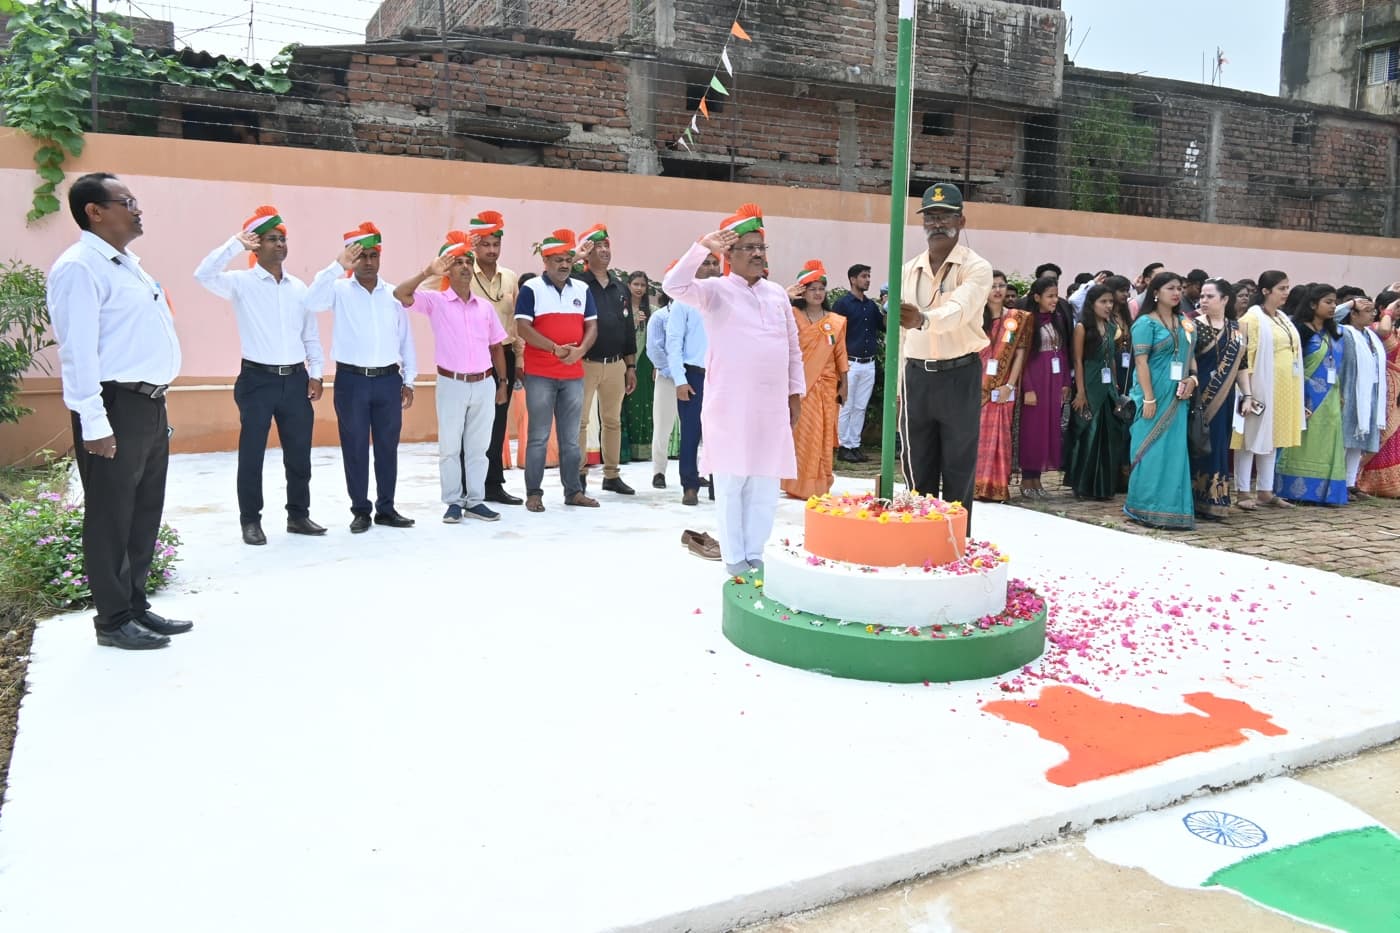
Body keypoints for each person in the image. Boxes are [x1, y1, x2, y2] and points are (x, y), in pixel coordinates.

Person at [48, 172, 192, 649]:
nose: (137, 209)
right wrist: (94, 421)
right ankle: (112, 621)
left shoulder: (127, 264)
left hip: (147, 404)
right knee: (111, 515)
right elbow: (78, 352)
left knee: (143, 510)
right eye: (127, 201)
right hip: (113, 406)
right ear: (95, 211)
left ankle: (135, 606)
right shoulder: (79, 268)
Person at [662, 203, 805, 576]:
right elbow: (673, 285)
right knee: (731, 482)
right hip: (730, 404)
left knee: (764, 482)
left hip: (772, 405)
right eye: (749, 247)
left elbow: (792, 347)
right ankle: (733, 558)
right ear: (729, 255)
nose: (758, 253)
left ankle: (755, 553)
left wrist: (795, 393)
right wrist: (701, 247)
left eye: (762, 247)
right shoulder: (715, 292)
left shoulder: (776, 294)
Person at [195, 205, 326, 547]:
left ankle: (298, 515)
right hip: (258, 381)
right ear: (256, 245)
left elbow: (311, 333)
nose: (281, 245)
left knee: (299, 453)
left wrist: (317, 373)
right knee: (252, 454)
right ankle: (250, 521)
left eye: (283, 239)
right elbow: (203, 275)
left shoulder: (299, 287)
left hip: (296, 380)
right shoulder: (240, 283)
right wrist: (234, 245)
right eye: (272, 239)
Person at [305, 222, 418, 533]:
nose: (368, 262)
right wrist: (335, 266)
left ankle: (386, 508)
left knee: (387, 446)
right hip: (351, 381)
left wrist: (409, 379)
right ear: (351, 259)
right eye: (361, 256)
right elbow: (311, 302)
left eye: (373, 255)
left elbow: (405, 338)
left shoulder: (393, 294)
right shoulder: (338, 290)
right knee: (354, 446)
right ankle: (360, 510)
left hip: (388, 380)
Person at [392, 231, 509, 523]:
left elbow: (496, 346)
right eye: (458, 262)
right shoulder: (436, 302)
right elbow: (400, 294)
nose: (466, 267)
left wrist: (502, 383)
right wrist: (426, 272)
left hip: (483, 383)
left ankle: (476, 501)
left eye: (468, 261)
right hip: (452, 383)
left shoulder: (485, 307)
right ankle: (453, 502)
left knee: (478, 448)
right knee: (450, 448)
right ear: (447, 268)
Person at [896, 182, 993, 530]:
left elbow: (961, 311)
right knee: (917, 467)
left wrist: (924, 319)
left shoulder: (976, 267)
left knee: (958, 467)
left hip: (959, 375)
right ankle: (918, 539)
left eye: (945, 216)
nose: (937, 224)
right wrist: (898, 387)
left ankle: (954, 543)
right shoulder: (907, 269)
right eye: (931, 217)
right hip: (916, 376)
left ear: (961, 221)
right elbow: (901, 335)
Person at [515, 228, 599, 512]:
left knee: (571, 439)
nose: (564, 265)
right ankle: (534, 493)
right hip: (541, 374)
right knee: (538, 437)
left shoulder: (583, 290)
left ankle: (573, 491)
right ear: (545, 262)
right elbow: (522, 327)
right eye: (557, 260)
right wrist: (554, 348)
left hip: (573, 374)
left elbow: (592, 327)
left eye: (567, 259)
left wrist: (580, 351)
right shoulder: (531, 290)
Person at [1123, 271, 1198, 530]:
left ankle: (1172, 509)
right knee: (1149, 450)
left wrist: (1193, 380)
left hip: (1179, 396)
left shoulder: (1186, 323)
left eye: (1180, 288)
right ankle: (1143, 506)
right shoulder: (1146, 323)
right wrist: (1148, 398)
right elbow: (1141, 363)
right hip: (1153, 395)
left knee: (1175, 452)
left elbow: (1191, 356)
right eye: (1170, 288)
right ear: (1156, 292)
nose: (1177, 293)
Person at [1231, 270, 1304, 509]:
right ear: (1265, 291)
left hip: (1283, 388)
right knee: (1249, 438)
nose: (1286, 293)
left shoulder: (1282, 317)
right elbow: (1245, 357)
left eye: (1287, 288)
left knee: (1272, 438)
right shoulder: (1251, 319)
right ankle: (1242, 492)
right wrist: (1247, 393)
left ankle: (1265, 490)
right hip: (1258, 387)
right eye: (1281, 288)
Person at [574, 224, 636, 496]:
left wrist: (630, 365)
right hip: (585, 362)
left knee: (613, 421)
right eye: (598, 247)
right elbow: (551, 275)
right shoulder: (577, 284)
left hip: (616, 365)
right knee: (580, 422)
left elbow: (628, 329)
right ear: (587, 253)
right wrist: (575, 257)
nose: (604, 251)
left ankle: (612, 475)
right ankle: (578, 474)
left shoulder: (620, 286)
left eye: (607, 246)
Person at [467, 211, 524, 507]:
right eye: (485, 244)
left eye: (495, 244)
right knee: (471, 423)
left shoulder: (510, 277)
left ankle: (493, 484)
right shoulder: (463, 272)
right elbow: (431, 290)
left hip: (504, 355)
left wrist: (520, 361)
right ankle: (467, 486)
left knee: (497, 424)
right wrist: (461, 249)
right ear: (475, 246)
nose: (491, 250)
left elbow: (517, 322)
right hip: (472, 358)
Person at [1276, 284, 1348, 505]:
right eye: (1328, 302)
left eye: (1335, 302)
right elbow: (1292, 366)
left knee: (1326, 442)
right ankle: (1293, 490)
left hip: (1331, 396)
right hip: (1305, 396)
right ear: (1312, 304)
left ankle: (1324, 492)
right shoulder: (1299, 330)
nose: (1333, 306)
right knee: (1300, 442)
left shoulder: (1335, 332)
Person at [782, 260, 848, 499]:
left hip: (827, 387)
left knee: (822, 436)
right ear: (803, 292)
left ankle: (819, 483)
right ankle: (797, 484)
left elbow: (841, 354)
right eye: (812, 288)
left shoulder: (836, 321)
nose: (818, 293)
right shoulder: (792, 315)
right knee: (800, 434)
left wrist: (845, 385)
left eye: (821, 288)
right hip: (800, 386)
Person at [1189, 278, 1251, 519]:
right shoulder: (1192, 325)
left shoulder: (1238, 330)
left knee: (1217, 446)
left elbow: (1242, 365)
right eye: (1202, 296)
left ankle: (1215, 499)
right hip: (1197, 396)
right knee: (1196, 444)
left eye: (1209, 296)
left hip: (1224, 398)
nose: (1203, 301)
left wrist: (1247, 395)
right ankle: (1192, 499)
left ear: (1225, 299)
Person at [1063, 284, 1129, 500]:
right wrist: (1080, 392)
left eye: (1111, 302)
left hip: (1108, 386)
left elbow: (1110, 357)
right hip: (1089, 385)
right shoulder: (1083, 327)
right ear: (1092, 304)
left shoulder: (1111, 327)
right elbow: (1078, 360)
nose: (1108, 306)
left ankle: (1103, 486)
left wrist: (1116, 386)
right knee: (1088, 433)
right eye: (1103, 302)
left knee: (1108, 435)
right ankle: (1082, 484)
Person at [667, 251, 722, 506]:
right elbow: (674, 343)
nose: (711, 268)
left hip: (723, 377)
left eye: (715, 264)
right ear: (695, 268)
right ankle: (690, 485)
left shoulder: (726, 299)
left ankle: (718, 486)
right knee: (691, 433)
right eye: (706, 264)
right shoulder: (684, 301)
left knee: (720, 434)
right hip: (694, 376)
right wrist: (680, 380)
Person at [973, 271, 1030, 501]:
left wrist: (1010, 384)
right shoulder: (976, 319)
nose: (997, 290)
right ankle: (975, 486)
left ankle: (996, 488)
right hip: (977, 387)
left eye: (1001, 285)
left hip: (1002, 387)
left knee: (1000, 438)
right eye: (992, 285)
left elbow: (1020, 354)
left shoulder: (1016, 319)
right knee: (976, 437)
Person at [1016, 275, 1072, 498]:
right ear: (1037, 297)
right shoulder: (1028, 322)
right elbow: (1023, 359)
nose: (1054, 300)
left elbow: (1064, 352)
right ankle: (1026, 480)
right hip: (1037, 381)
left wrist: (1066, 382)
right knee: (1033, 432)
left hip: (1054, 381)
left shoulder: (1057, 318)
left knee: (1049, 429)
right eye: (1050, 296)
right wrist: (1027, 388)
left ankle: (1037, 480)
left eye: (1056, 295)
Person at [832, 263, 883, 462]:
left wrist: (889, 307)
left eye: (869, 276)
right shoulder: (843, 304)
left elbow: (882, 326)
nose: (867, 280)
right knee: (846, 405)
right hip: (850, 362)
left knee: (860, 406)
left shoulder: (870, 306)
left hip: (868, 362)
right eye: (864, 276)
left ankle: (854, 444)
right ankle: (843, 445)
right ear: (853, 279)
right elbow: (835, 332)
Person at [1337, 294, 1385, 498]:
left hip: (1369, 391)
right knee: (1344, 439)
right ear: (1353, 315)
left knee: (1358, 439)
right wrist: (1349, 304)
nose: (1372, 315)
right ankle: (1338, 481)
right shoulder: (1344, 332)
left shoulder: (1370, 335)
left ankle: (1350, 482)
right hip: (1350, 389)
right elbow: (1332, 317)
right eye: (1367, 311)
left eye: (1374, 311)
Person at [1357, 291, 1400, 496]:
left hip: (1397, 387)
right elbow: (1383, 330)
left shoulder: (1395, 329)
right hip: (1385, 387)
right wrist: (1389, 311)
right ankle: (1361, 479)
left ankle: (1391, 483)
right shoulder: (1376, 329)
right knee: (1382, 435)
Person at [619, 270, 655, 463]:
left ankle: (644, 448)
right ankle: (626, 449)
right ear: (628, 285)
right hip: (626, 361)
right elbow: (618, 334)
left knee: (644, 406)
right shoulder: (621, 310)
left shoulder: (654, 312)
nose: (639, 288)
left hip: (646, 363)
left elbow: (660, 340)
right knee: (626, 404)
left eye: (643, 285)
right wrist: (632, 322)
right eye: (636, 284)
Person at [646, 274, 677, 488]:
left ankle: (695, 471)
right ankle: (659, 471)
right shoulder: (660, 317)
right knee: (663, 426)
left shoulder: (698, 313)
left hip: (695, 376)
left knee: (696, 428)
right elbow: (654, 348)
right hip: (668, 378)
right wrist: (673, 372)